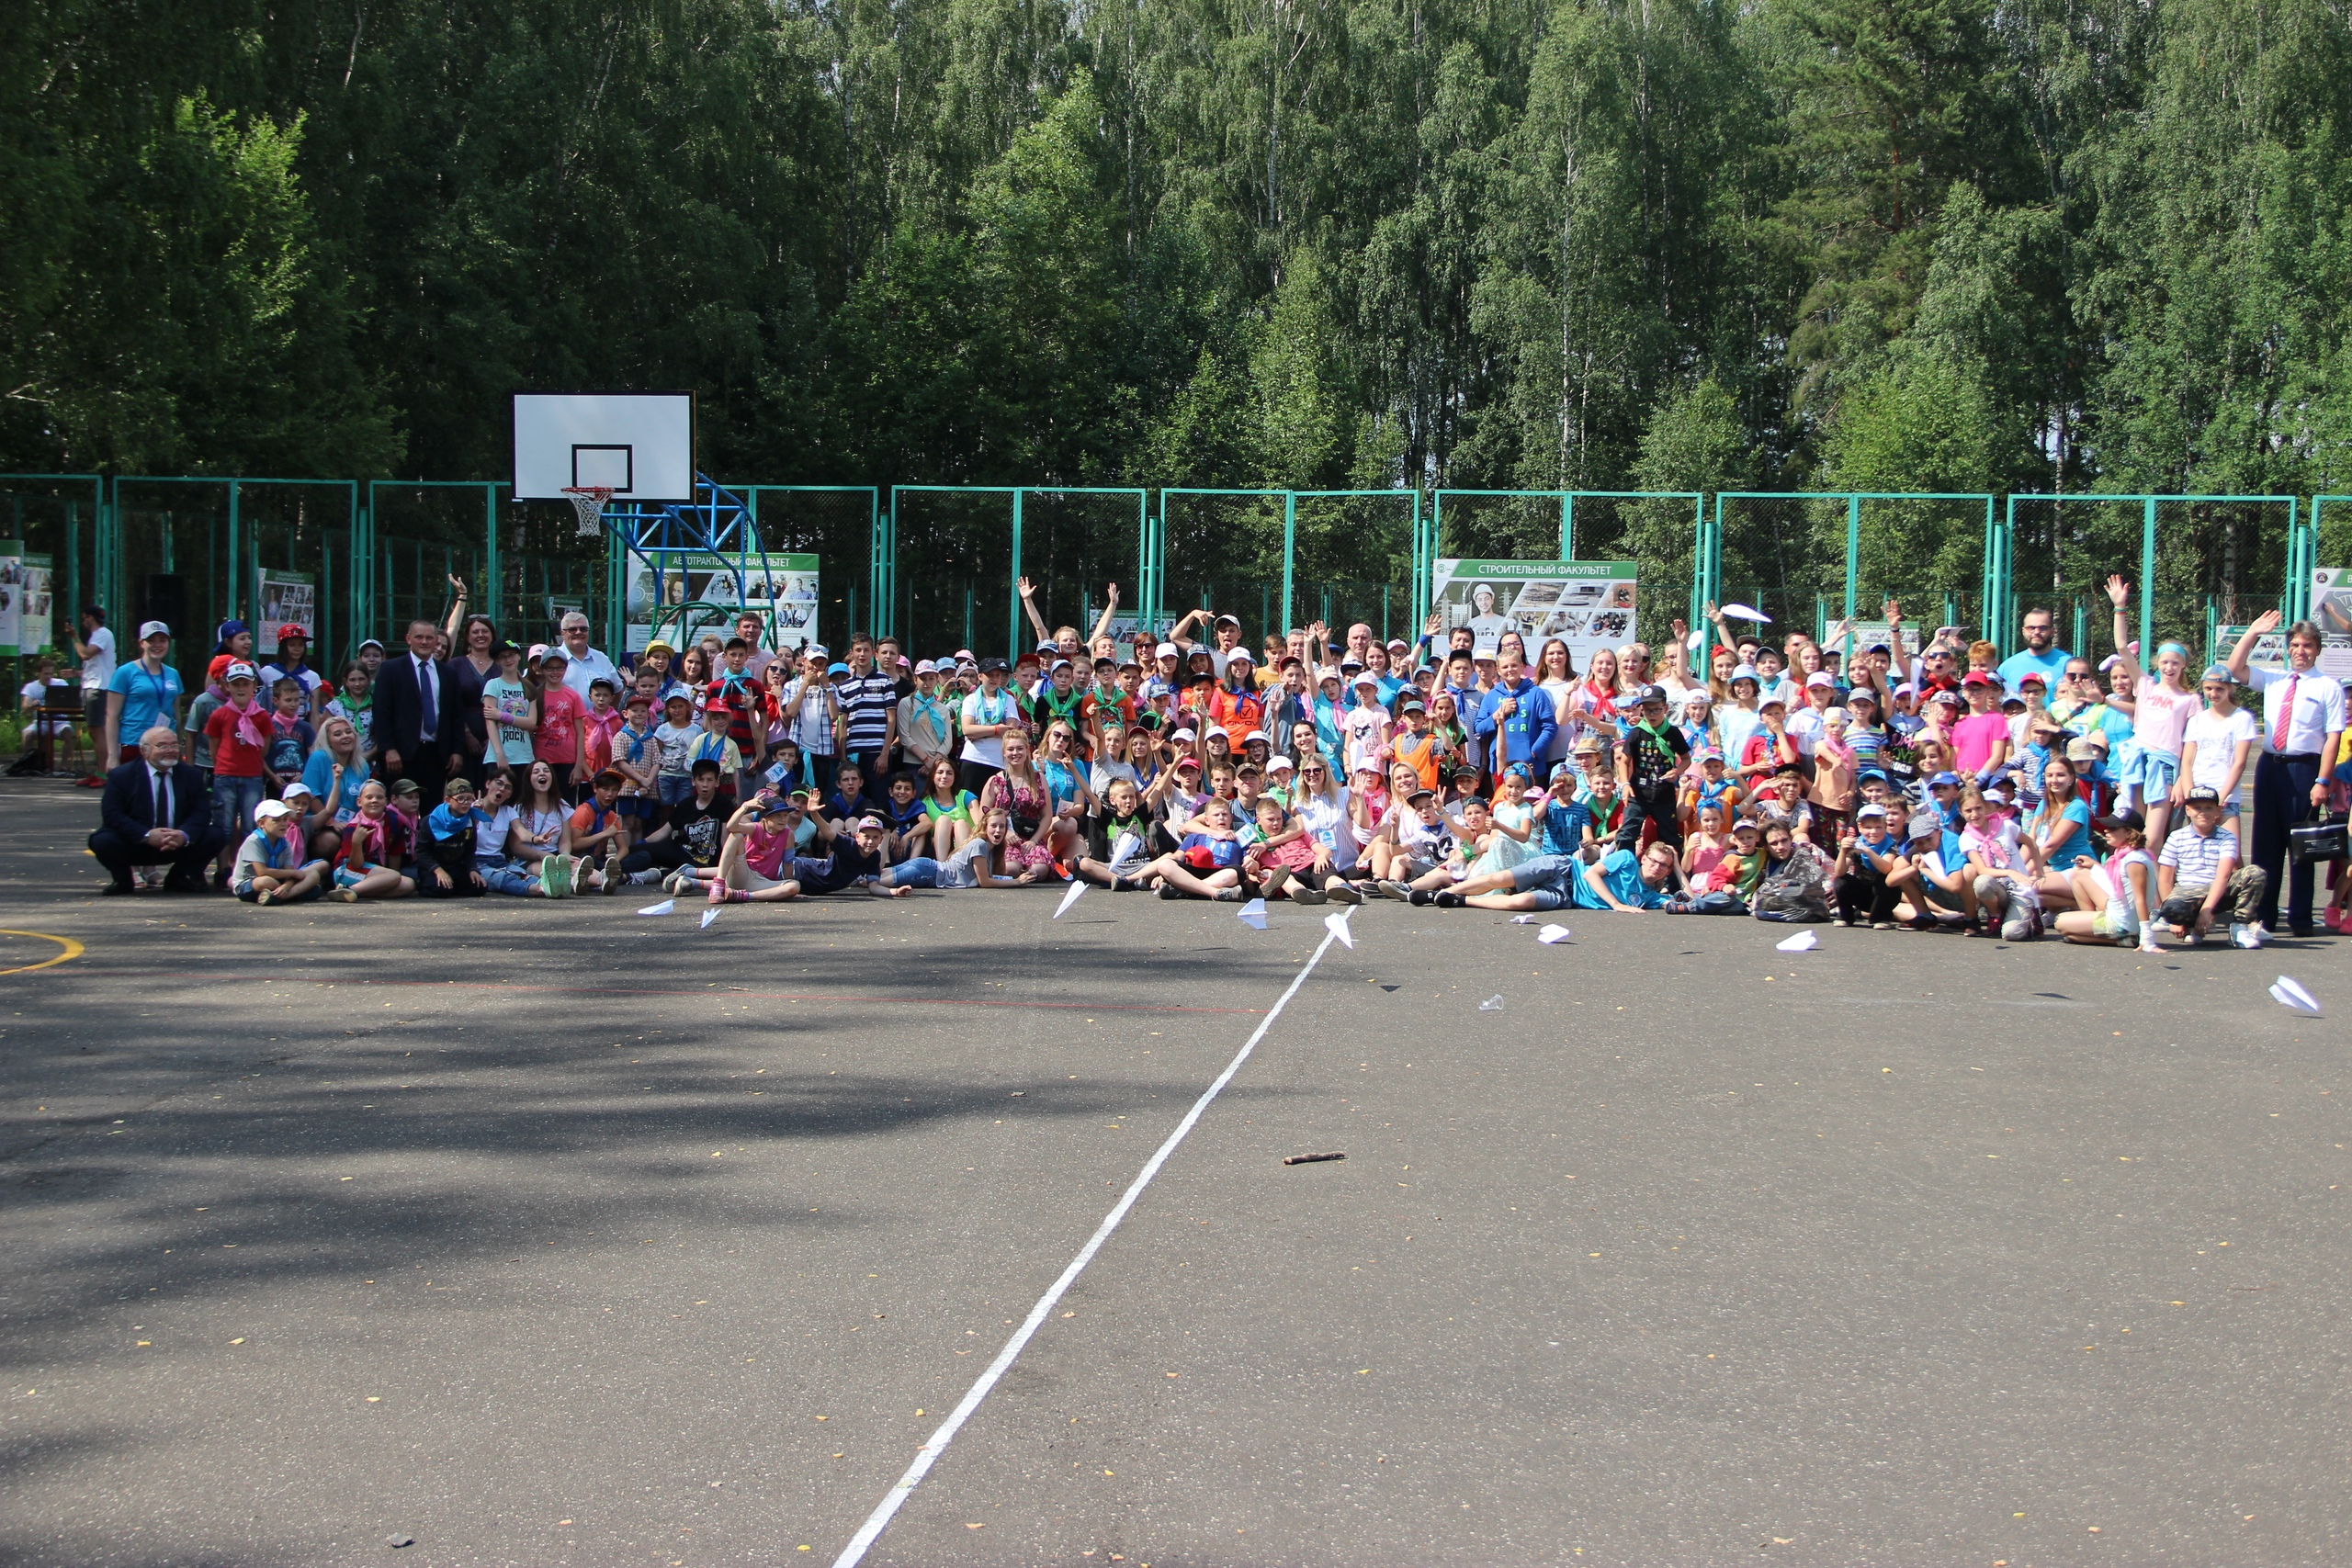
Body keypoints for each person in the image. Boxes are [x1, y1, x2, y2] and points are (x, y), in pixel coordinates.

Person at [2226, 609, 2346, 936]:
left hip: (2304, 768)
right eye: (2294, 645)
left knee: (2301, 845)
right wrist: (2252, 632)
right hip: (2270, 766)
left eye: (2307, 645)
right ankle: (2263, 917)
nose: (2300, 651)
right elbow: (2234, 669)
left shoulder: (2327, 687)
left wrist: (2323, 780)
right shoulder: (2274, 679)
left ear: (2317, 649)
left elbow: (2333, 735)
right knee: (2266, 844)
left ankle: (2301, 918)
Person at [89, 727, 220, 894]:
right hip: (137, 843)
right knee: (102, 840)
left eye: (174, 745)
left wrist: (183, 834)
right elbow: (112, 815)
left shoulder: (191, 775)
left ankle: (179, 878)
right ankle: (122, 880)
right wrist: (147, 835)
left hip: (176, 842)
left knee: (215, 835)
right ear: (144, 751)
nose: (170, 750)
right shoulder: (122, 776)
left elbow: (201, 813)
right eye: (162, 746)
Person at [2155, 785, 2268, 947]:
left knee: (2255, 873)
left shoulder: (2227, 837)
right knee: (2173, 908)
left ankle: (2240, 928)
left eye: (2209, 808)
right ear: (2187, 810)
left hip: (2216, 889)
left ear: (2217, 811)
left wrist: (2207, 910)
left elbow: (2223, 876)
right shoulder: (2176, 837)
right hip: (2187, 892)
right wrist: (2172, 918)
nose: (2203, 812)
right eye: (2197, 808)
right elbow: (2165, 879)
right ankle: (2192, 926)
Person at [375, 619, 464, 789]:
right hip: (401, 754)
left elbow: (456, 716)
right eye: (419, 637)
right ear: (408, 639)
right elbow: (381, 712)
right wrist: (389, 749)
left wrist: (457, 751)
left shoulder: (448, 673)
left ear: (436, 641)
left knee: (431, 811)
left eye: (429, 638)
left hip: (437, 754)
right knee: (400, 809)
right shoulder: (390, 669)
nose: (424, 642)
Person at [105, 621, 183, 770]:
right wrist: (113, 755)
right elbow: (112, 716)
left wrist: (179, 746)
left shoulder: (173, 674)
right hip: (135, 743)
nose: (157, 645)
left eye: (162, 640)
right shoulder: (125, 672)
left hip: (166, 746)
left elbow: (176, 714)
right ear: (141, 643)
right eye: (151, 640)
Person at [231, 798, 326, 905]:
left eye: (285, 819)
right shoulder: (254, 841)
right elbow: (262, 872)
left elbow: (290, 874)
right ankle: (289, 895)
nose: (283, 824)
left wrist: (286, 886)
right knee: (266, 881)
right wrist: (293, 874)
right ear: (261, 823)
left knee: (313, 874)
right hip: (251, 883)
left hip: (278, 882)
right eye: (276, 820)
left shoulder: (285, 844)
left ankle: (278, 896)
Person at [1996, 605, 2072, 691]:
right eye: (2031, 628)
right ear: (2023, 631)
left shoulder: (2068, 665)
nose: (2036, 632)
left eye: (2042, 628)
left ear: (2052, 631)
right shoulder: (2007, 667)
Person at [553, 611, 620, 702]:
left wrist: (607, 714)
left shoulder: (601, 658)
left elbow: (618, 690)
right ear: (563, 633)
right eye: (573, 629)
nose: (578, 632)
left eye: (583, 629)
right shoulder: (553, 659)